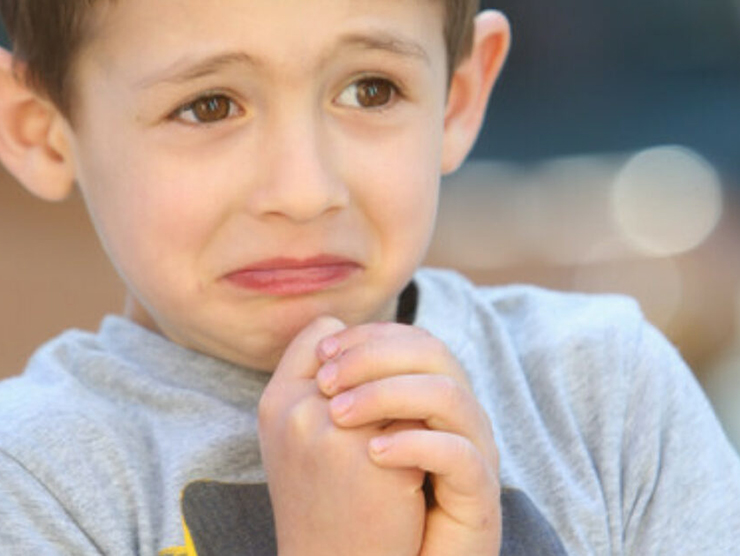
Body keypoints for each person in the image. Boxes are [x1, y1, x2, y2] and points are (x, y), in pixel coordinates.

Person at [0, 0, 737, 554]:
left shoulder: (607, 397)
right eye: (209, 105)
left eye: (370, 90)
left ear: (459, 95)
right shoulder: (34, 485)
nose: (303, 189)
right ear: (41, 129)